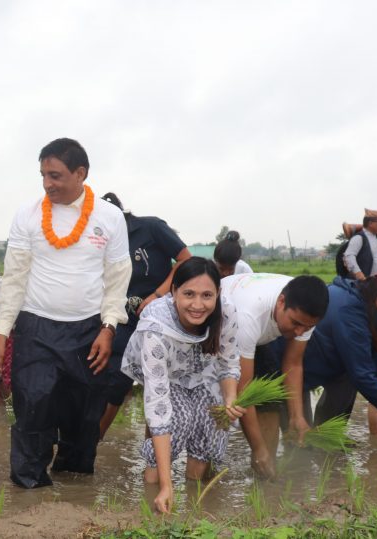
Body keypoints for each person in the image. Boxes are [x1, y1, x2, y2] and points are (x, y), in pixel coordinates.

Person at [0, 138, 131, 489]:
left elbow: (117, 279)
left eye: (56, 175)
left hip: (89, 332)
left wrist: (108, 328)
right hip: (36, 327)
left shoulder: (109, 218)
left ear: (81, 173)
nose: (48, 184)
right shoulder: (29, 214)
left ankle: (75, 489)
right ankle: (29, 489)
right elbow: (15, 276)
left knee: (84, 414)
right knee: (32, 407)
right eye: (43, 176)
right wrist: (2, 333)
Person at [121, 257, 243, 515]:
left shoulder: (228, 312)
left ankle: (196, 504)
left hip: (203, 369)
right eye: (188, 294)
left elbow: (229, 363)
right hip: (164, 372)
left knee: (210, 422)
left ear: (218, 294)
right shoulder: (156, 326)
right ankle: (155, 496)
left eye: (207, 295)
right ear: (173, 291)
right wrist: (168, 485)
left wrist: (230, 398)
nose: (198, 305)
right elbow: (158, 406)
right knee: (178, 420)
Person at [97, 192, 192, 437]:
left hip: (156, 318)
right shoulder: (100, 239)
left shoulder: (150, 228)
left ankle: (154, 450)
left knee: (158, 383)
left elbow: (185, 260)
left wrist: (158, 295)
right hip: (120, 320)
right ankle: (92, 442)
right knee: (114, 379)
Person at [220, 273, 329, 478]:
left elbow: (293, 364)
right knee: (221, 405)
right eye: (295, 323)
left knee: (270, 396)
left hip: (257, 338)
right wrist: (256, 447)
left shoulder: (305, 315)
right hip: (217, 331)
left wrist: (297, 417)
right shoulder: (248, 316)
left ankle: (265, 471)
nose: (299, 332)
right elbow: (245, 390)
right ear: (281, 302)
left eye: (307, 327)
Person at [300, 273, 377, 433]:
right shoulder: (350, 313)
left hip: (328, 365)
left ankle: (325, 441)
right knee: (298, 430)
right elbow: (362, 375)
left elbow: (373, 355)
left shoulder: (368, 307)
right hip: (296, 368)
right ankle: (312, 447)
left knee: (317, 434)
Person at [342, 209, 377, 281]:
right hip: (364, 284)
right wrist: (358, 273)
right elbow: (349, 256)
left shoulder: (376, 238)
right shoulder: (359, 238)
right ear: (371, 223)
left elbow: (376, 258)